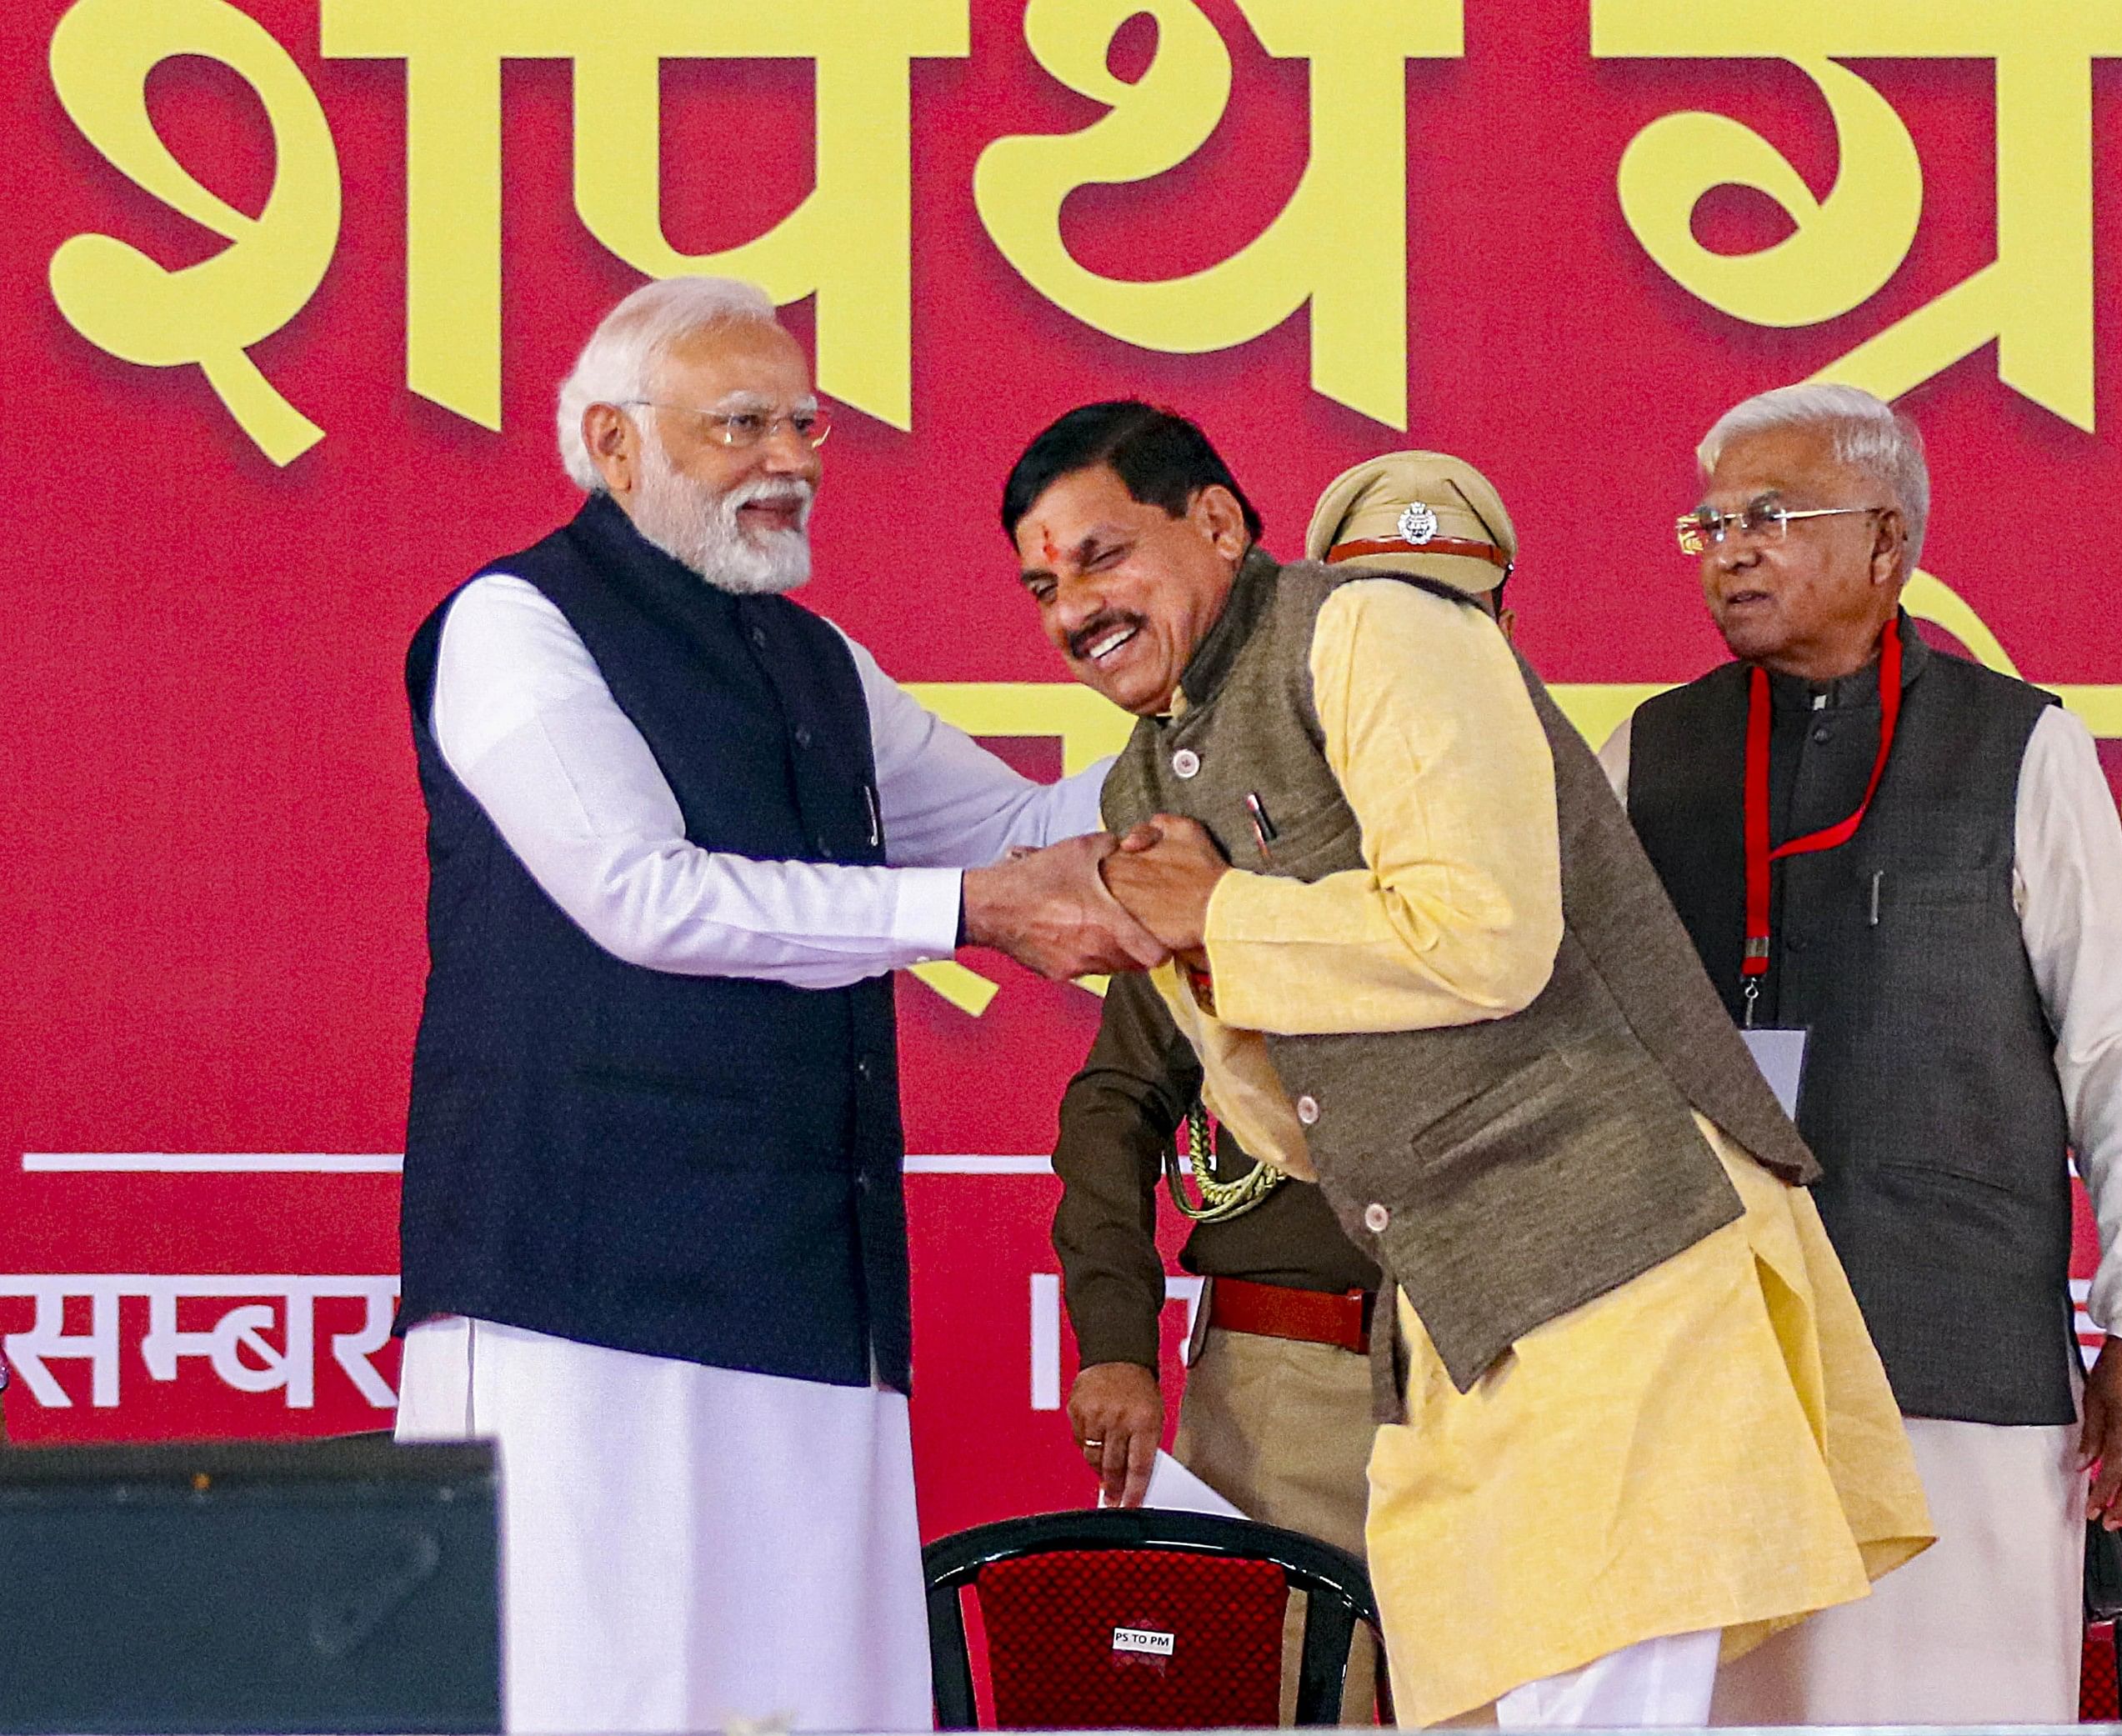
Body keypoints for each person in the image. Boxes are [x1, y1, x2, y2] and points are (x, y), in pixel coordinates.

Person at [1008, 401, 1930, 1728]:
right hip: (1459, 1312)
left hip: (1621, 1256)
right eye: (1044, 586)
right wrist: (1185, 958)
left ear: (1216, 522)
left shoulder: (1373, 627)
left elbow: (1489, 940)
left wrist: (1222, 917)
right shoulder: (1144, 785)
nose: (1072, 611)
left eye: (1102, 557)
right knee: (1486, 1703)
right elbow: (1291, 1128)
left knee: (1591, 1704)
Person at [391, 276, 1164, 1735]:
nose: (791, 459)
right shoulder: (514, 622)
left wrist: (1241, 709)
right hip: (579, 1296)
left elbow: (1019, 827)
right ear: (614, 446)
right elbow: (642, 893)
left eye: (804, 423)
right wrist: (961, 917)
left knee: (814, 1700)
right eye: (741, 424)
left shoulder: (817, 659)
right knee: (594, 1696)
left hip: (808, 1290)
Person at [1598, 382, 2122, 1725]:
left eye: (1770, 515)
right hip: (1716, 1358)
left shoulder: (2021, 747)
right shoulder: (1652, 750)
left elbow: (2118, 1049)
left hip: (1956, 1342)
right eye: (1710, 523)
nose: (1731, 548)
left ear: (1888, 543)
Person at [1053, 451, 1519, 1556]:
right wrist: (1117, 1340)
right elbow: (1115, 1104)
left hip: (1511, 1381)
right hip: (1284, 1388)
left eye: (1453, 616)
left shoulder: (1555, 834)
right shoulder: (1213, 833)